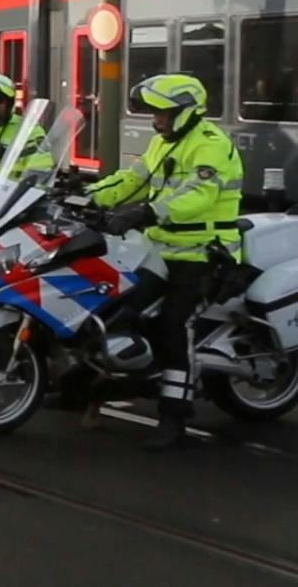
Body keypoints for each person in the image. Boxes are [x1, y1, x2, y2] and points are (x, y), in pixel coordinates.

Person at [87, 73, 244, 452]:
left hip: (203, 252)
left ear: (187, 112)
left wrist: (148, 212)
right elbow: (132, 180)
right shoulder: (161, 144)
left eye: (163, 114)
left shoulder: (210, 145)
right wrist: (87, 195)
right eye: (154, 114)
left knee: (175, 324)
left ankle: (174, 418)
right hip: (158, 251)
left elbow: (199, 194)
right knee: (117, 308)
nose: (156, 120)